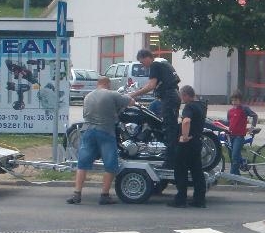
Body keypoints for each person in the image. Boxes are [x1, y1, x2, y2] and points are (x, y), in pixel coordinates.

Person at [67, 76, 135, 205]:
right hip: (106, 132)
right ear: (108, 84)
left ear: (97, 84)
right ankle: (104, 195)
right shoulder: (112, 94)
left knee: (82, 163)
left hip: (88, 131)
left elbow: (85, 114)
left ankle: (77, 194)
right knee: (111, 165)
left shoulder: (87, 97)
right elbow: (130, 102)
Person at [130, 49, 181, 170]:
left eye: (142, 62)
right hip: (173, 95)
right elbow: (151, 85)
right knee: (167, 126)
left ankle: (170, 162)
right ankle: (169, 156)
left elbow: (151, 86)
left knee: (169, 129)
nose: (143, 66)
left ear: (147, 57)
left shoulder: (155, 65)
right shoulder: (162, 62)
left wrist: (132, 95)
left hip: (169, 97)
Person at [167, 85, 208, 208]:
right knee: (197, 171)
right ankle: (199, 200)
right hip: (197, 141)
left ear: (185, 95)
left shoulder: (189, 106)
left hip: (187, 144)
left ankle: (180, 199)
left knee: (180, 171)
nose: (181, 99)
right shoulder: (201, 105)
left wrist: (184, 137)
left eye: (181, 96)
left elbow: (186, 121)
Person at [226, 89, 258, 175]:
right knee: (232, 156)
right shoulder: (230, 111)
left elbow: (254, 116)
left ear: (240, 100)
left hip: (239, 136)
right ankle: (237, 176)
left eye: (236, 100)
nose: (234, 102)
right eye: (232, 100)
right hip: (231, 135)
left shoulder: (244, 109)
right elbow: (229, 123)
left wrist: (252, 126)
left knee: (235, 155)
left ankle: (232, 176)